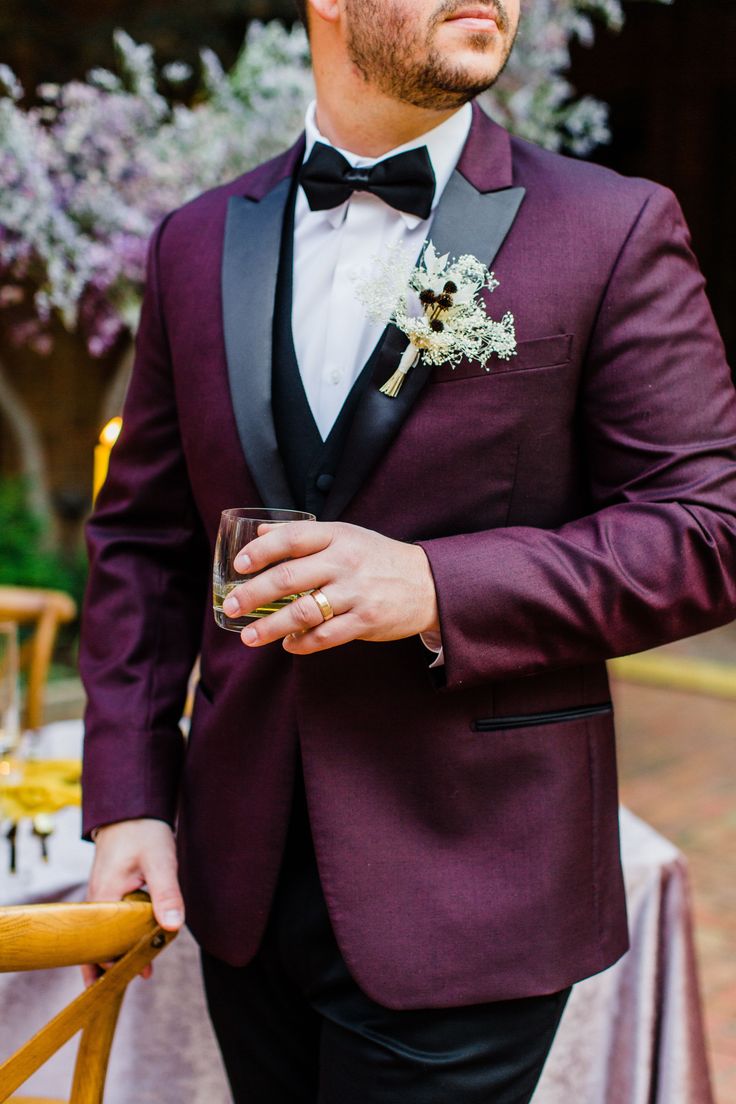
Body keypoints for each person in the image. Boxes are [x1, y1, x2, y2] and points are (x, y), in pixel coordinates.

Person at [80, 0, 736, 1101]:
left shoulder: (610, 226)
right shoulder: (197, 241)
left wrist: (435, 584)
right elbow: (143, 539)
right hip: (237, 873)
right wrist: (132, 797)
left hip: (474, 873)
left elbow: (706, 526)